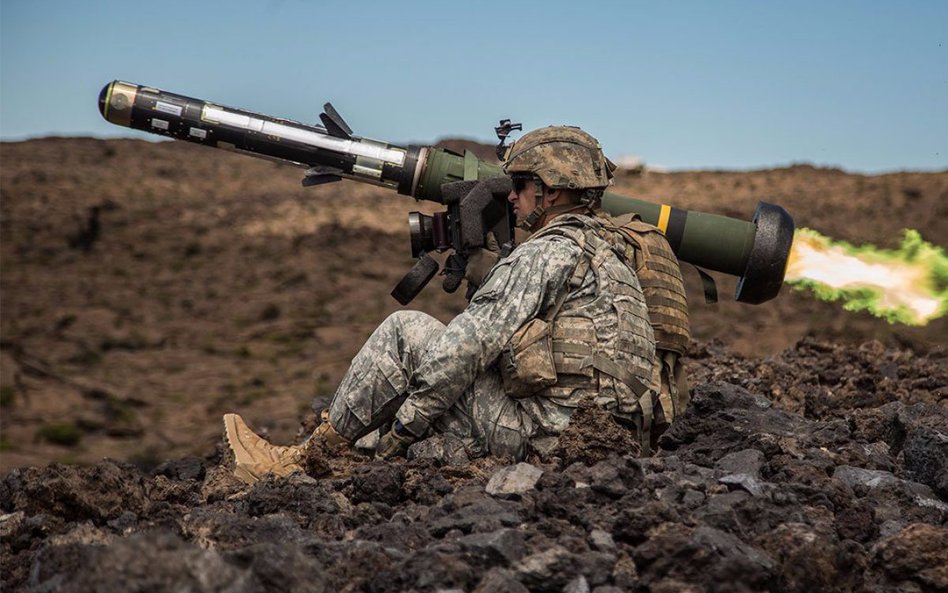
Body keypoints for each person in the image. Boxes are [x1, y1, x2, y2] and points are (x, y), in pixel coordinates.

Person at [224, 126, 689, 485]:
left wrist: (404, 429)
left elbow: (463, 349)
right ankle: (356, 444)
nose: (511, 195)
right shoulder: (614, 254)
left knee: (407, 332)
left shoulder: (547, 252)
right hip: (603, 443)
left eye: (521, 185)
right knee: (422, 397)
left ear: (553, 192)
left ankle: (300, 461)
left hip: (546, 439)